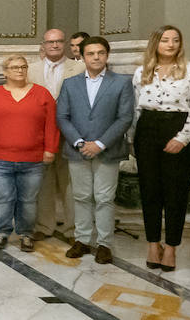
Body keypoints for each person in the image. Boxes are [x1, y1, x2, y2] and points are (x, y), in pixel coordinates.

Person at [131, 25, 190, 272]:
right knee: (150, 191)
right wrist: (134, 139)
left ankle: (171, 247)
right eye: (165, 40)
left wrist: (182, 138)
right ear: (156, 43)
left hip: (179, 128)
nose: (171, 44)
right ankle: (153, 244)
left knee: (176, 194)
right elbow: (136, 109)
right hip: (147, 130)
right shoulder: (142, 72)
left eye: (175, 40)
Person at [55, 35, 134, 264]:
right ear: (83, 56)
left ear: (107, 55)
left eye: (100, 53)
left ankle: (104, 244)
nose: (96, 57)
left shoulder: (121, 82)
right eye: (91, 53)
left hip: (107, 150)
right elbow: (62, 117)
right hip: (77, 149)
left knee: (104, 198)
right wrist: (79, 142)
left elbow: (124, 118)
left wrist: (99, 144)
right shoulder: (71, 83)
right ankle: (82, 240)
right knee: (80, 196)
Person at [0, 55, 58, 251]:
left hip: (33, 159)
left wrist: (50, 149)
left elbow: (51, 125)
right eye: (14, 67)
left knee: (28, 200)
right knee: (3, 198)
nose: (19, 70)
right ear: (5, 72)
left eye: (23, 67)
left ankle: (26, 234)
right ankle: (2, 233)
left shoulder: (42, 94)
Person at [34, 28, 82, 240]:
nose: (54, 45)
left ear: (65, 44)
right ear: (43, 45)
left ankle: (73, 229)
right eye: (50, 42)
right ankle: (44, 226)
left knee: (70, 182)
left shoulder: (79, 68)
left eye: (59, 41)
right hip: (40, 134)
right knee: (43, 181)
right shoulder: (31, 70)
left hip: (70, 133)